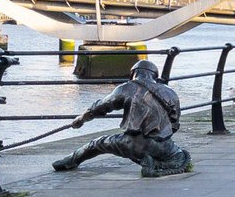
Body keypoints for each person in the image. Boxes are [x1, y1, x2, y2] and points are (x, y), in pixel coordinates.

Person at [53, 57, 191, 177]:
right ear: (154, 76)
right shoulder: (170, 93)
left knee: (96, 144)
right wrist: (160, 135)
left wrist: (81, 119)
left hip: (133, 144)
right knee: (181, 156)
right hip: (163, 146)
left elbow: (100, 107)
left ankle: (69, 162)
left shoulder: (126, 88)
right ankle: (154, 161)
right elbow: (175, 123)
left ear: (133, 74)